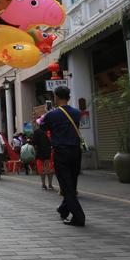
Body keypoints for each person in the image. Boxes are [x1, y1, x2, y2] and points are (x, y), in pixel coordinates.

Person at [39, 86, 85, 226]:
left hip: (61, 152)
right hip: (76, 151)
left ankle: (79, 217)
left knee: (66, 185)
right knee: (72, 181)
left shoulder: (52, 114)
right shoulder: (77, 113)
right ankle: (63, 209)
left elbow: (42, 127)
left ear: (56, 97)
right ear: (69, 97)